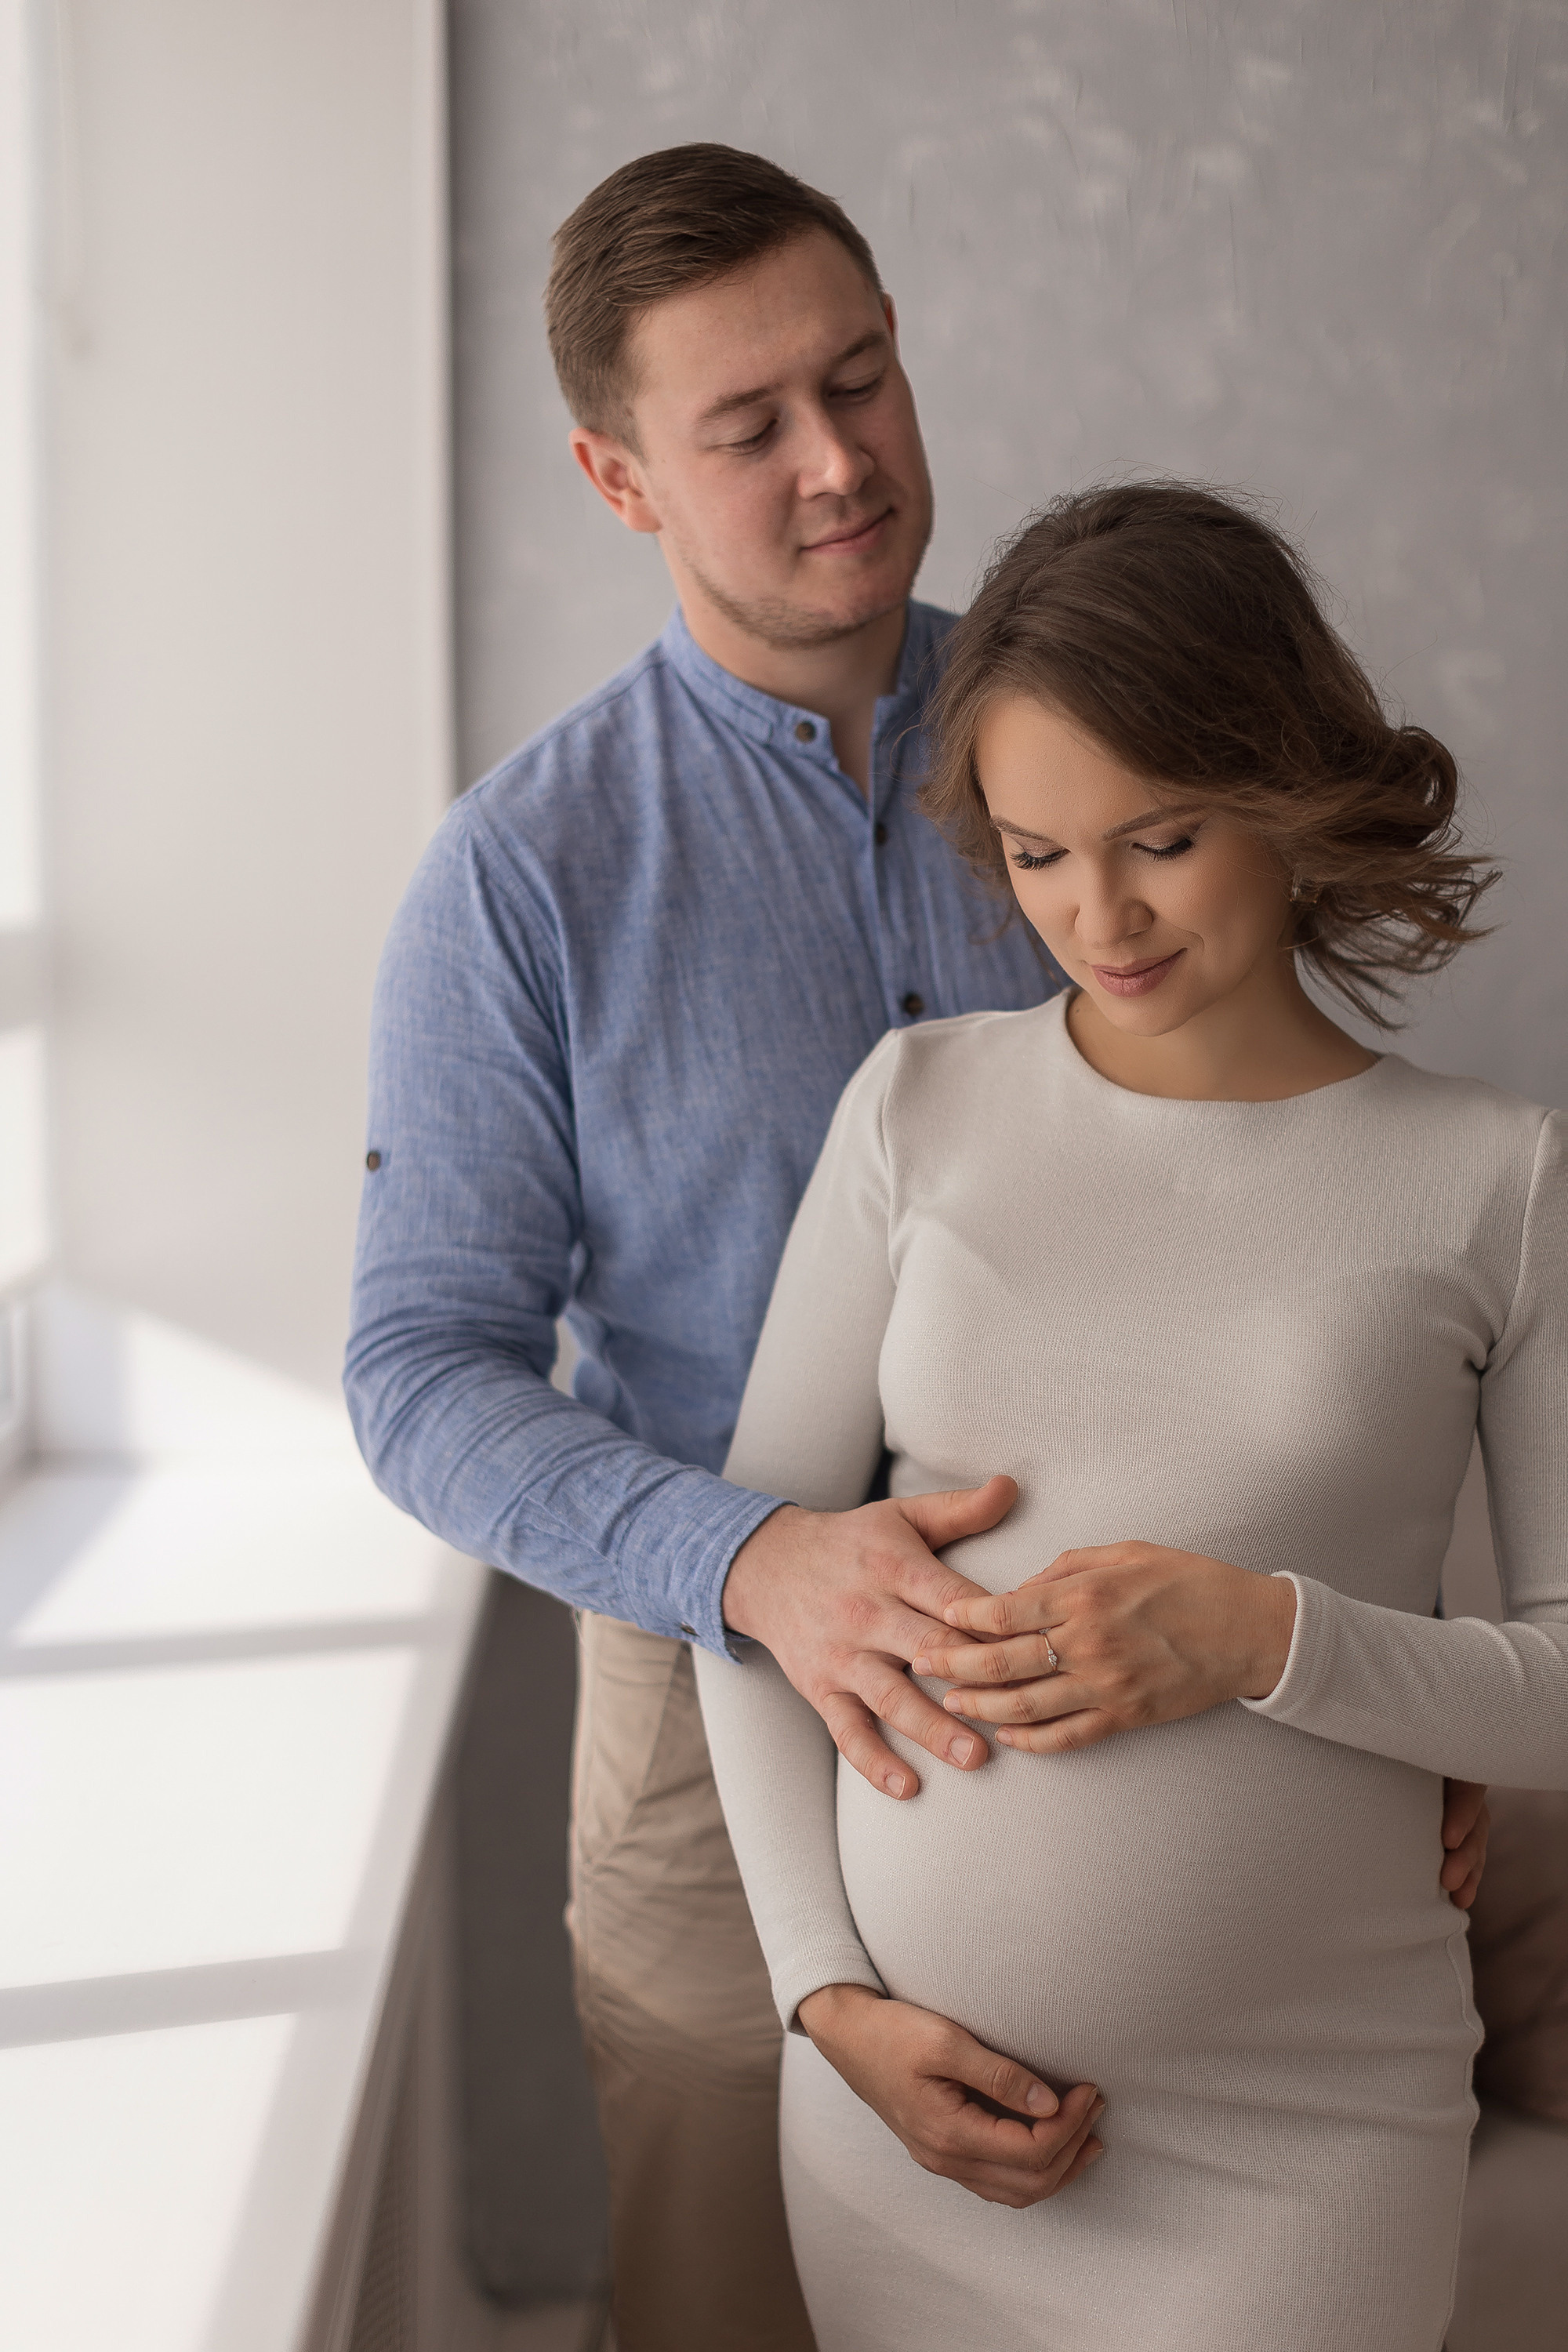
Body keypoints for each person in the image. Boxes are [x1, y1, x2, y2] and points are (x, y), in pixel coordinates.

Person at [343, 141, 1489, 2350]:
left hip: (1212, 1632)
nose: (841, 462)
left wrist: (1406, 1663)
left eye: (860, 379)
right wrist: (755, 1561)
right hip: (714, 1676)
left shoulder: (1120, 738)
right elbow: (418, 1367)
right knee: (719, 2264)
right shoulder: (519, 878)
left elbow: (1344, 1212)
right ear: (616, 475)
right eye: (748, 426)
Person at [694, 481, 1562, 2352]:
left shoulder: (1494, 1180)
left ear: (1287, 782)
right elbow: (750, 1598)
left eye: (1160, 838)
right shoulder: (912, 1108)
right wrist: (826, 2002)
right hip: (902, 2124)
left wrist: (1270, 1638)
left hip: (1307, 2133)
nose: (1098, 916)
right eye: (1033, 854)